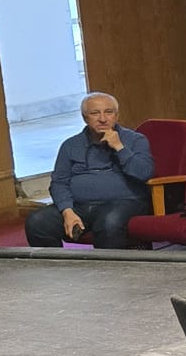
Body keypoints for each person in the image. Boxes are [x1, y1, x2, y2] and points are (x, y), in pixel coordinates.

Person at [26, 92, 155, 249]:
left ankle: (108, 271)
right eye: (95, 113)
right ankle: (55, 268)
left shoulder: (135, 140)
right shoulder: (70, 145)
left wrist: (120, 148)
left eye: (109, 112)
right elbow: (59, 182)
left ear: (116, 115)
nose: (102, 118)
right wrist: (67, 210)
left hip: (124, 202)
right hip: (79, 206)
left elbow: (144, 173)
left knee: (109, 222)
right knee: (37, 222)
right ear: (85, 117)